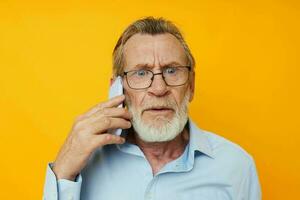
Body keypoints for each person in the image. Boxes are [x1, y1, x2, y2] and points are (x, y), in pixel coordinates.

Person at [43, 17, 261, 200]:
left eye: (172, 71)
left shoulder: (236, 166)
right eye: (141, 73)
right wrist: (63, 169)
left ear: (191, 85)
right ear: (118, 88)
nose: (159, 88)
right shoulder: (83, 162)